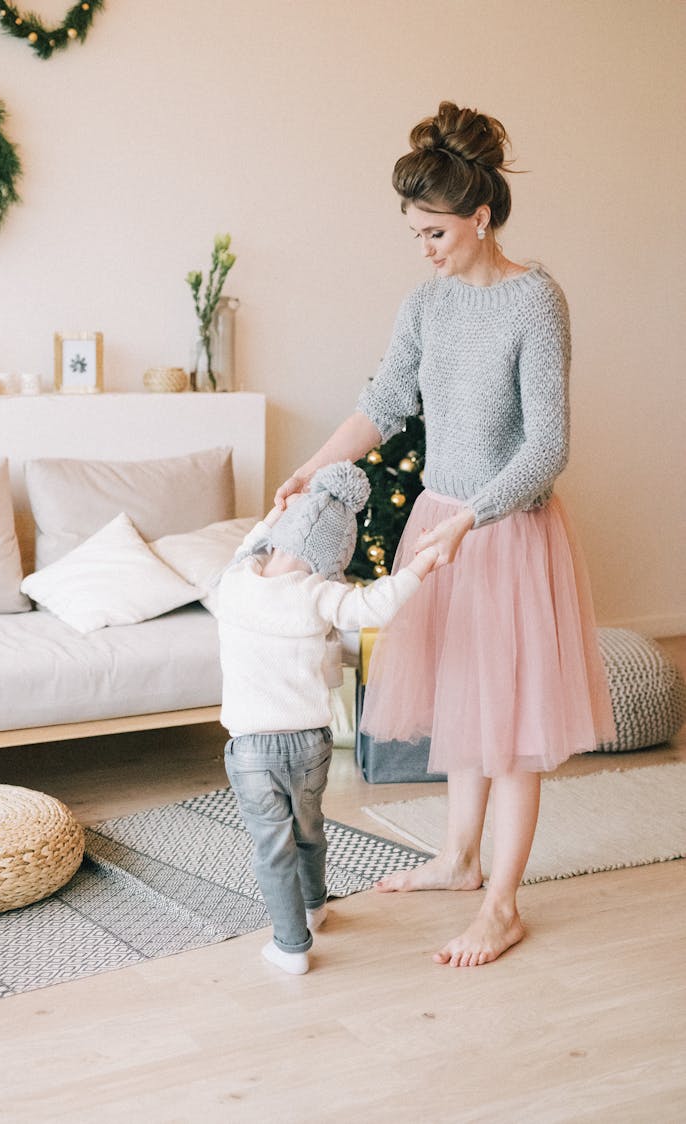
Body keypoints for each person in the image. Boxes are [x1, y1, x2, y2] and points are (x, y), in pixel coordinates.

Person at [275, 101, 616, 968]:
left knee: (508, 730)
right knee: (465, 700)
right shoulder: (425, 305)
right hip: (443, 524)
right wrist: (313, 467)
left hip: (503, 532)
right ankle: (460, 861)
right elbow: (385, 402)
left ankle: (502, 905)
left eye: (434, 231)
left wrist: (473, 515)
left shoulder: (536, 301)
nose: (423, 247)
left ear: (481, 216)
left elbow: (548, 446)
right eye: (415, 233)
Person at [217, 460, 442, 975]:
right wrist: (421, 565)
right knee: (309, 828)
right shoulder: (318, 596)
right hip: (310, 745)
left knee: (272, 848)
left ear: (279, 539)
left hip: (252, 749)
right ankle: (315, 906)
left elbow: (244, 550)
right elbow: (377, 606)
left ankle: (291, 947)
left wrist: (273, 516)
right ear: (332, 559)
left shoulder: (233, 584)